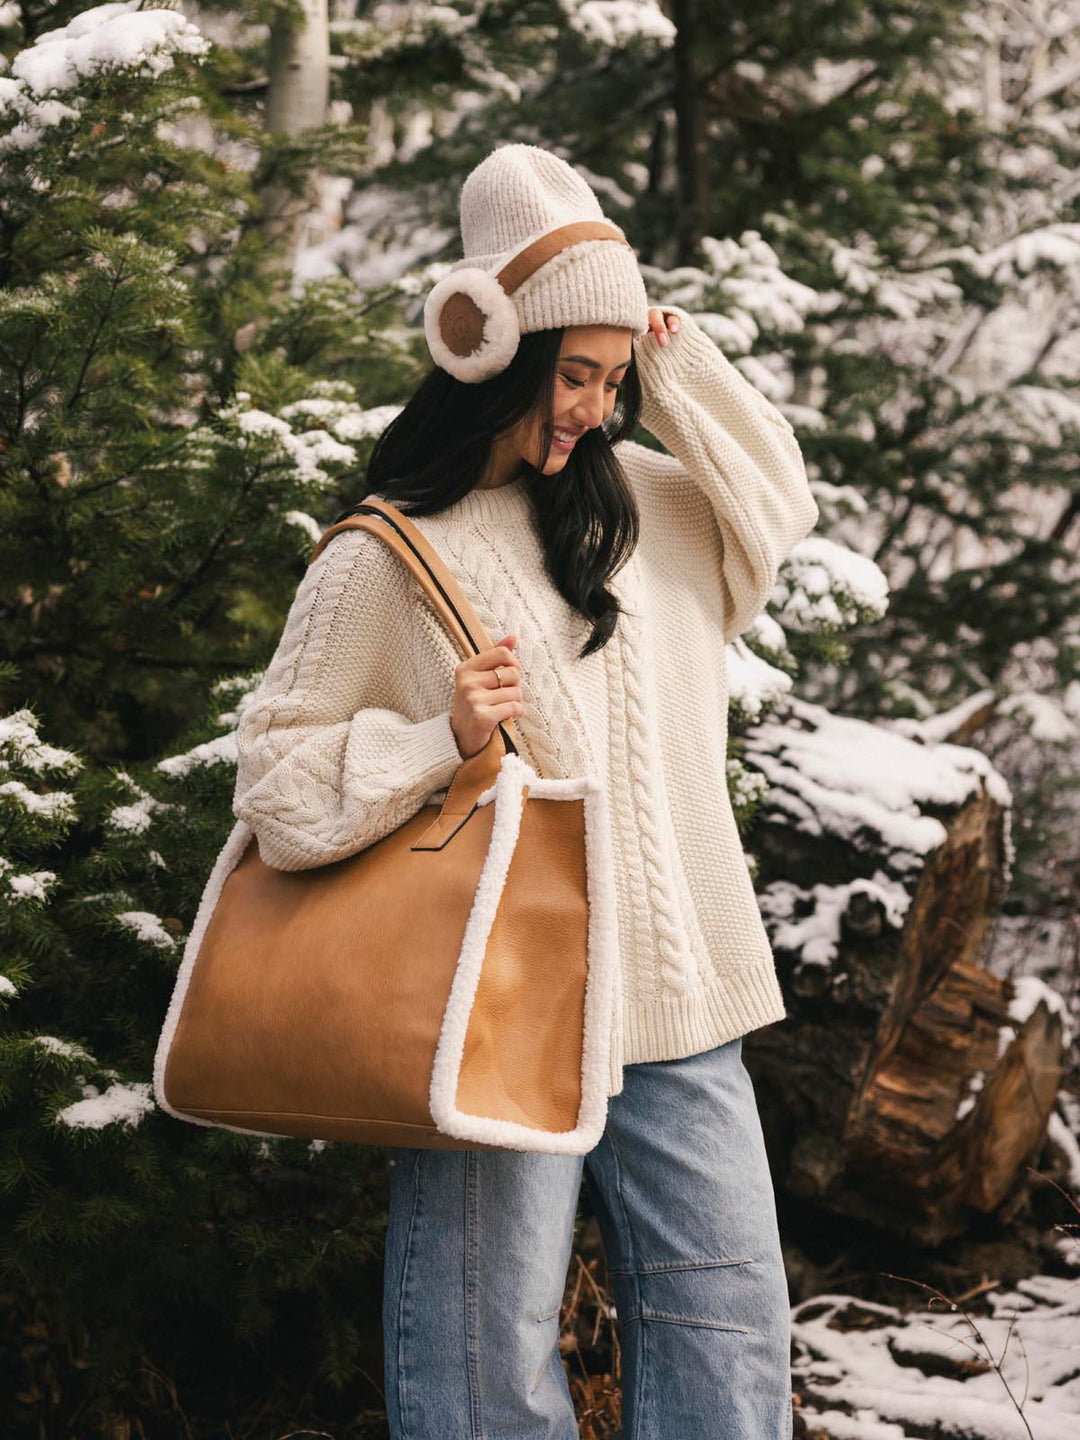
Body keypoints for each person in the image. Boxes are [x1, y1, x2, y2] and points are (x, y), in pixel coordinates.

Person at [231, 143, 819, 1438]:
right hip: (498, 1007)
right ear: (495, 354)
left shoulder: (652, 510)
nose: (595, 410)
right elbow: (275, 788)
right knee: (483, 1372)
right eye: (575, 375)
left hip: (683, 997)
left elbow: (782, 505)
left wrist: (669, 363)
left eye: (614, 380)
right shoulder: (390, 551)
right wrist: (437, 738)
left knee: (732, 1346)